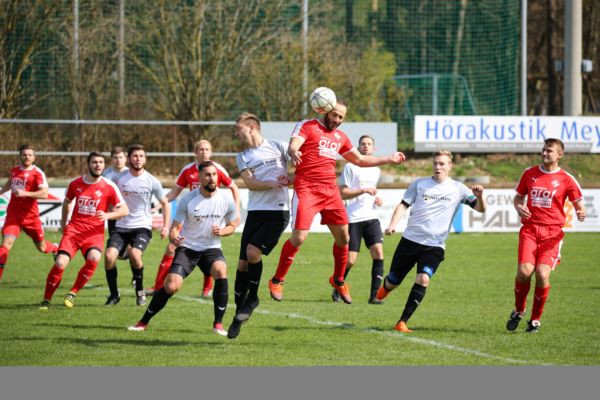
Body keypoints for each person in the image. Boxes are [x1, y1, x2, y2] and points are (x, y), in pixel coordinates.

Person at [267, 99, 406, 304]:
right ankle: (277, 280)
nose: (337, 120)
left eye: (341, 117)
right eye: (335, 115)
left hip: (330, 191)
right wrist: (294, 151)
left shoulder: (340, 137)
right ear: (326, 111)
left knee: (344, 238)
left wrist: (389, 158)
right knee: (300, 237)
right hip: (307, 188)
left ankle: (338, 280)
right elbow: (294, 144)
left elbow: (360, 159)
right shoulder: (308, 125)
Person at [376, 150, 486, 333]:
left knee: (423, 278)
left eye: (442, 164)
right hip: (410, 241)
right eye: (435, 163)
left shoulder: (459, 189)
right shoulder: (420, 184)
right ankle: (386, 287)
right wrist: (392, 224)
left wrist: (481, 197)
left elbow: (480, 210)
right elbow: (403, 205)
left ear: (450, 166)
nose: (438, 167)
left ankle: (402, 322)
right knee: (394, 280)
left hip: (435, 245)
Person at [127, 161, 239, 336]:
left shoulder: (226, 199)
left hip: (211, 248)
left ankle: (218, 324)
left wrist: (223, 231)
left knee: (221, 269)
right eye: (208, 175)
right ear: (200, 177)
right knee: (171, 286)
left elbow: (233, 224)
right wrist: (173, 237)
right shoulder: (188, 199)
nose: (212, 178)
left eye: (214, 174)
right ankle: (143, 322)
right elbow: (174, 228)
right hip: (188, 248)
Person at [506, 138, 585, 333]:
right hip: (530, 230)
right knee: (524, 272)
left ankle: (535, 320)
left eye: (549, 151)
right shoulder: (529, 173)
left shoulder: (566, 179)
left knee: (542, 274)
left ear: (560, 155)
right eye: (543, 150)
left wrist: (581, 212)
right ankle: (519, 310)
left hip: (552, 234)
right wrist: (519, 207)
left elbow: (578, 203)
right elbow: (518, 197)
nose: (544, 153)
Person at [147, 139, 240, 298]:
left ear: (211, 152)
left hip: (210, 215)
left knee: (207, 250)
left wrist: (235, 209)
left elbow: (234, 187)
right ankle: (158, 286)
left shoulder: (217, 169)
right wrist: (158, 205)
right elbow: (175, 192)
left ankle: (206, 288)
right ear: (195, 153)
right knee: (171, 248)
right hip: (192, 216)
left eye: (206, 149)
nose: (203, 152)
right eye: (200, 149)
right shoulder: (188, 170)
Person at [227, 112, 290, 339]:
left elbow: (299, 162)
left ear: (251, 128)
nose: (236, 133)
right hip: (255, 212)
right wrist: (272, 182)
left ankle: (253, 297)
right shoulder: (242, 156)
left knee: (253, 252)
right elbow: (251, 184)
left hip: (278, 212)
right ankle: (238, 315)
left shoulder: (278, 146)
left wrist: (292, 174)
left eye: (239, 129)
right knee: (242, 265)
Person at [39, 152, 128, 309]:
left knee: (94, 258)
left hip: (94, 234)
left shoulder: (109, 186)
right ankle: (46, 299)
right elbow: (67, 201)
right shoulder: (76, 184)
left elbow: (125, 210)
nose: (98, 165)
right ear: (88, 164)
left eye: (101, 162)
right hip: (74, 231)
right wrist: (63, 224)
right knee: (60, 263)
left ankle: (72, 293)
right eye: (94, 162)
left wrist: (108, 215)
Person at [104, 144, 170, 306]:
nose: (138, 159)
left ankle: (140, 292)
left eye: (141, 156)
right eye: (135, 156)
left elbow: (165, 203)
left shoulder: (151, 180)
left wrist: (166, 226)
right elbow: (107, 198)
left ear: (145, 159)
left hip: (142, 226)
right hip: (120, 226)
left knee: (135, 255)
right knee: (109, 257)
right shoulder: (118, 179)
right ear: (129, 158)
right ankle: (114, 295)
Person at [335, 135, 384, 304]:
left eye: (369, 144)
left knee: (378, 252)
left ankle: (374, 296)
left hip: (372, 217)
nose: (366, 146)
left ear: (373, 148)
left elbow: (373, 191)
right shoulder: (350, 167)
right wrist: (363, 191)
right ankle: (337, 285)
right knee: (351, 260)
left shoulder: (376, 169)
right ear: (358, 147)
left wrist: (377, 199)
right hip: (354, 218)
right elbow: (343, 192)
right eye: (363, 144)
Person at [0, 144, 57, 280]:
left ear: (34, 157)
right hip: (14, 216)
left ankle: (55, 248)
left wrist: (24, 193)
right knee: (5, 244)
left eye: (29, 155)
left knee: (42, 248)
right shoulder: (14, 171)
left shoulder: (37, 173)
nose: (27, 157)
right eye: (24, 154)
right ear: (20, 156)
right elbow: (10, 183)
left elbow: (44, 193)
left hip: (31, 218)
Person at [103, 146, 131, 261]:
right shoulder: (105, 174)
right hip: (112, 214)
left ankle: (133, 253)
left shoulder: (130, 173)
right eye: (115, 158)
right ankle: (127, 254)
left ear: (125, 159)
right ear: (111, 159)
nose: (118, 160)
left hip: (127, 213)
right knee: (118, 252)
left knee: (128, 243)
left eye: (121, 157)